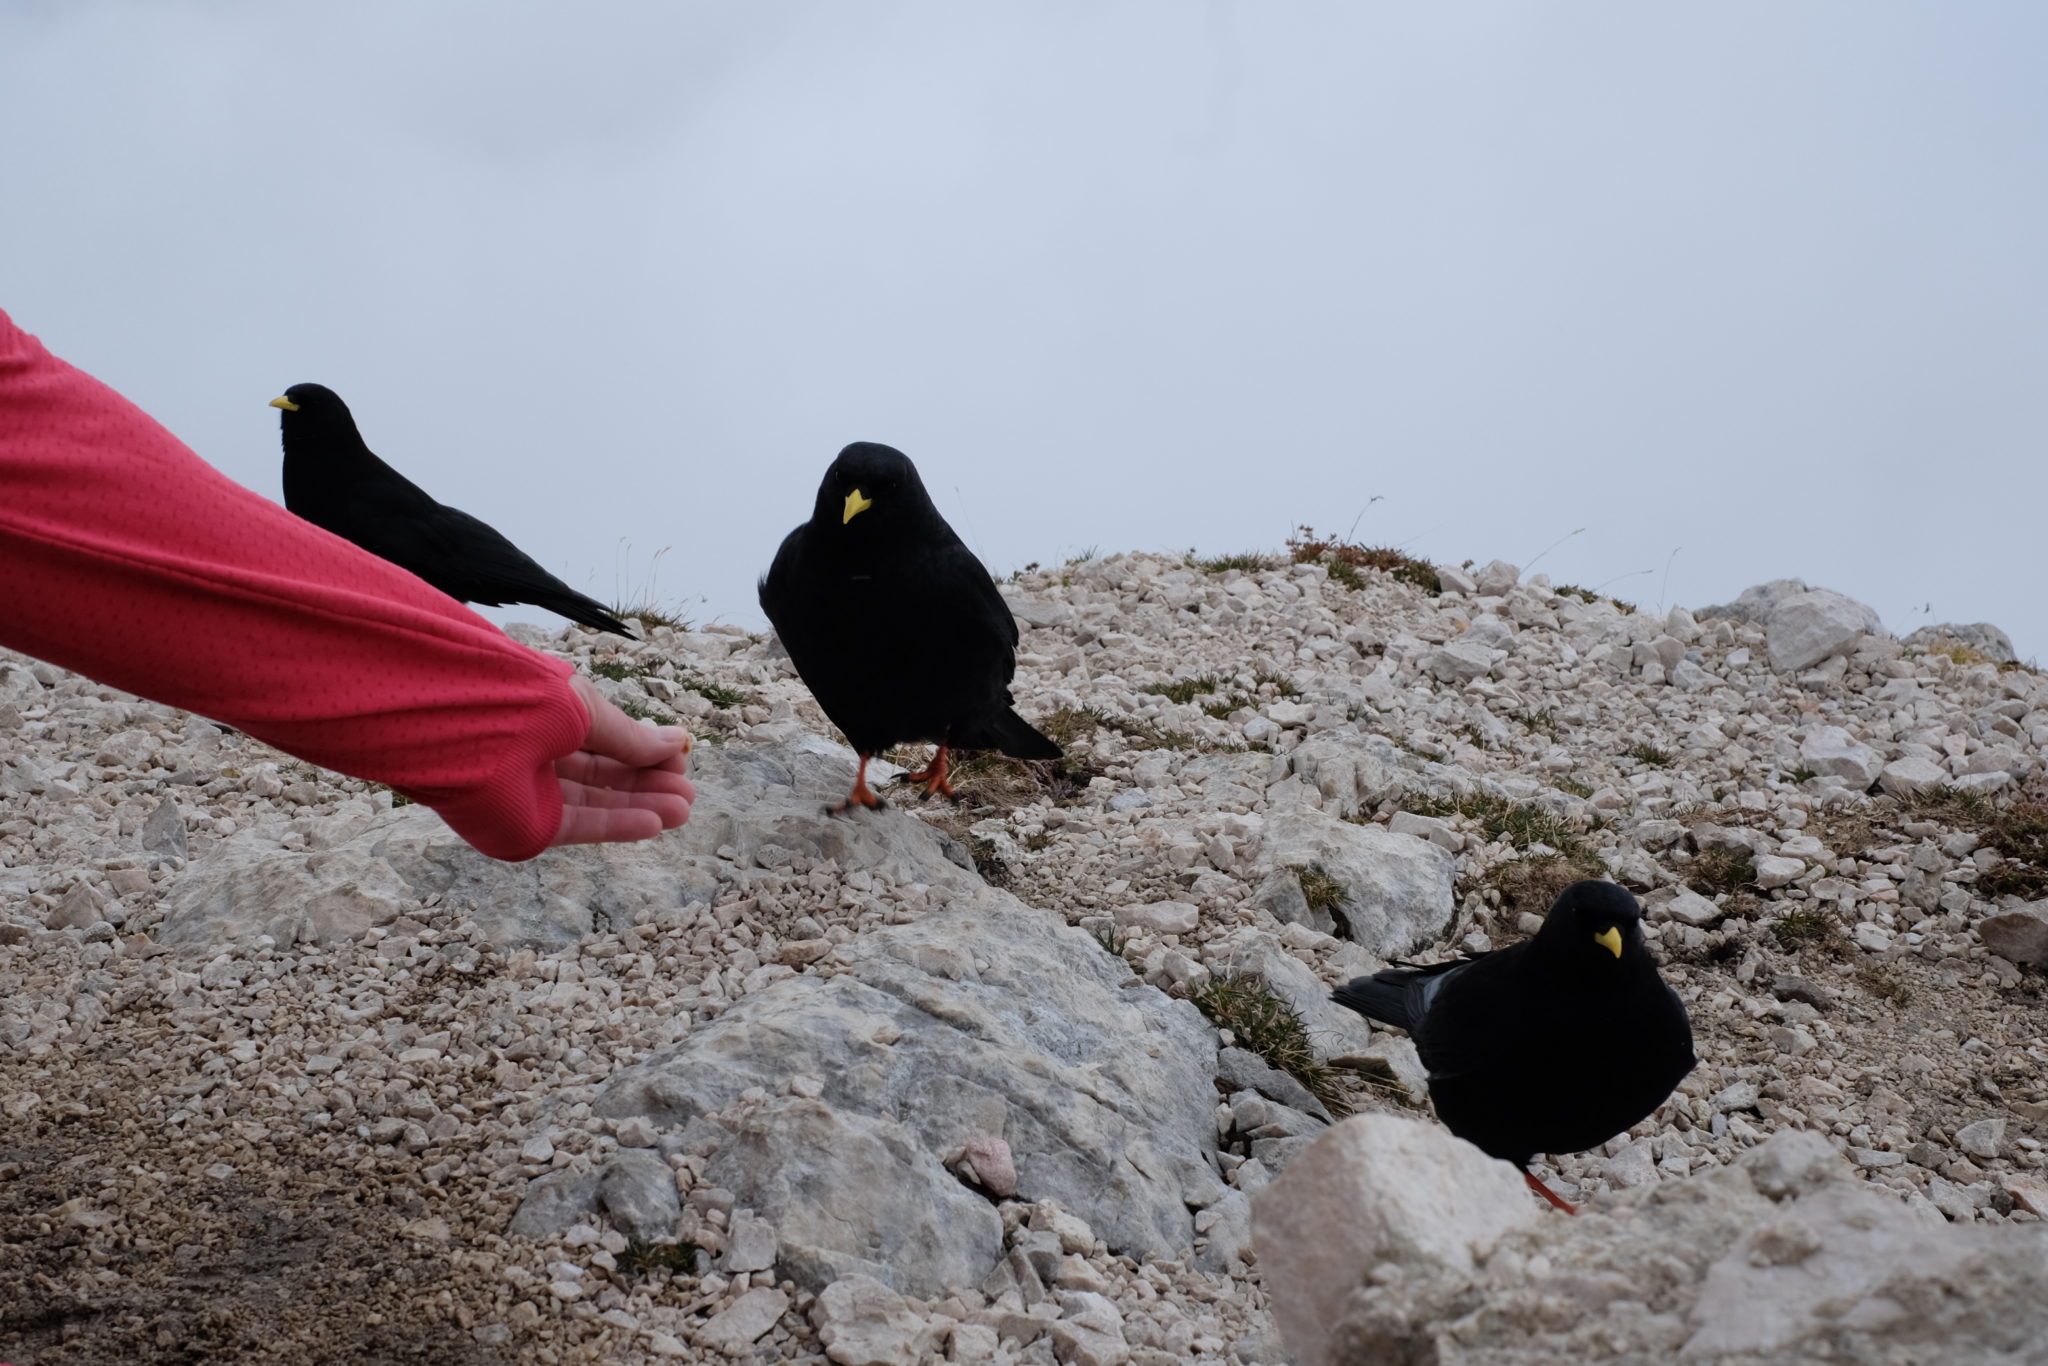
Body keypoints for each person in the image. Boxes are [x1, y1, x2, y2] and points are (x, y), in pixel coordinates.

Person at [0, 307, 692, 861]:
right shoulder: (328, 475)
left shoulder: (348, 483)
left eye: (297, 410)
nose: (284, 413)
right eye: (285, 409)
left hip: (447, 567)